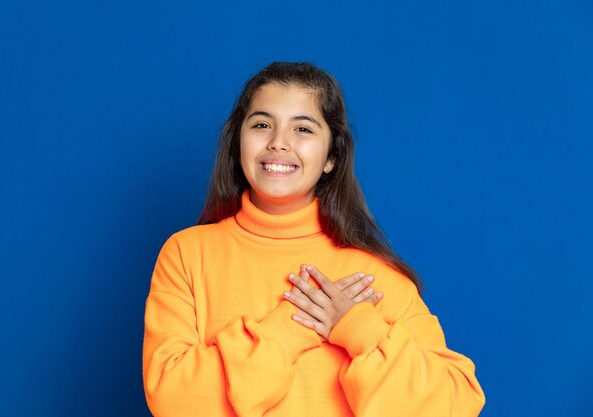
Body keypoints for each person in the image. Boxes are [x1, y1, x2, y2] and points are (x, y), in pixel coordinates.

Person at [142, 62, 485, 417]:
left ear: (331, 158)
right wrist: (291, 325)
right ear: (237, 144)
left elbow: (455, 404)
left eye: (303, 129)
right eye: (261, 125)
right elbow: (173, 401)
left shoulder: (371, 279)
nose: (278, 143)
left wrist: (359, 330)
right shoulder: (187, 254)